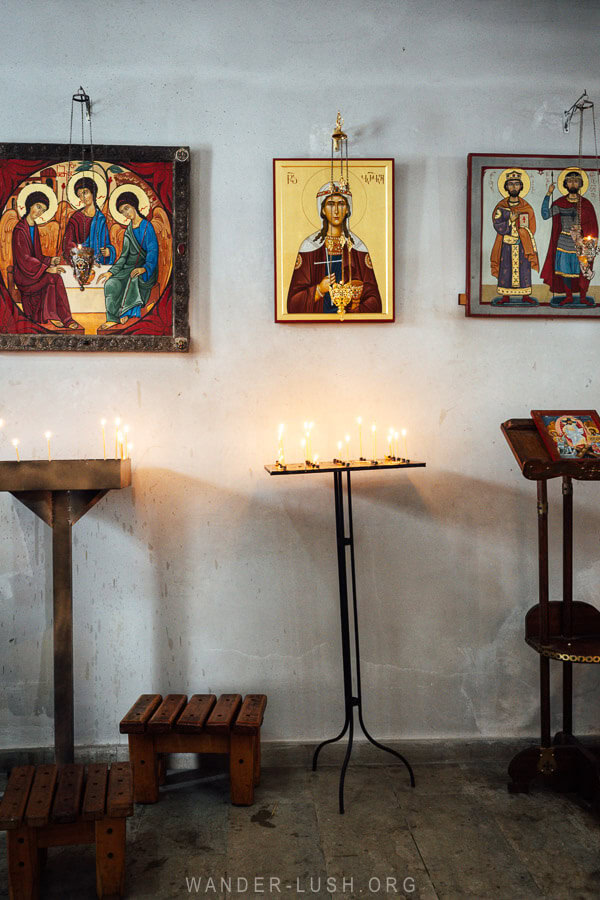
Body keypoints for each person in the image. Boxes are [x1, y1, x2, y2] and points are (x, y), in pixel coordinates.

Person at [286, 180, 382, 314]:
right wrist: (318, 290)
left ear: (348, 209)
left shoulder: (358, 247)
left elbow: (375, 301)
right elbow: (292, 304)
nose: (336, 210)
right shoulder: (310, 247)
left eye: (341, 204)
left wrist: (355, 305)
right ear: (323, 210)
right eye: (330, 204)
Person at [11, 191, 82, 331]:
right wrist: (47, 268)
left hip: (33, 272)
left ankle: (65, 318)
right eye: (38, 206)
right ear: (29, 205)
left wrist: (50, 260)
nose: (39, 212)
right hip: (25, 276)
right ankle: (55, 316)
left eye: (42, 210)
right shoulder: (20, 229)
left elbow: (36, 255)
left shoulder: (33, 227)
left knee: (56, 277)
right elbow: (24, 259)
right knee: (51, 277)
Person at [97, 191, 158, 330]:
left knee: (134, 277)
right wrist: (111, 273)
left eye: (126, 208)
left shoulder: (147, 227)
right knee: (111, 284)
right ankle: (112, 318)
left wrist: (145, 268)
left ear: (134, 205)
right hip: (127, 268)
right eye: (122, 211)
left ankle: (127, 312)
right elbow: (124, 256)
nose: (125, 213)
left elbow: (153, 252)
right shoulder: (128, 231)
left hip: (146, 269)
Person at [541, 170, 598, 306]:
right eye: (570, 181)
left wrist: (583, 232)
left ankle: (583, 297)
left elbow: (593, 225)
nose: (573, 183)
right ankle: (569, 297)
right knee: (566, 271)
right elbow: (545, 215)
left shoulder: (586, 204)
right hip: (564, 242)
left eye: (576, 180)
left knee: (583, 270)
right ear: (565, 184)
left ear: (580, 184)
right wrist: (548, 194)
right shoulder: (560, 203)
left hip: (582, 242)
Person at [490, 171, 538, 304]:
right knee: (505, 269)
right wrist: (510, 221)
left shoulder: (526, 207)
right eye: (510, 184)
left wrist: (523, 233)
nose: (514, 187)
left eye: (517, 184)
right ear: (506, 187)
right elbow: (497, 224)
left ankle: (525, 295)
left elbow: (531, 227)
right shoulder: (501, 207)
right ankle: (505, 296)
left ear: (521, 186)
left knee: (524, 269)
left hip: (521, 244)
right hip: (505, 244)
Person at [62, 176, 116, 265]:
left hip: (98, 264)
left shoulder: (100, 218)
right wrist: (82, 257)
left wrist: (109, 251)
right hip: (80, 263)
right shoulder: (76, 218)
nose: (83, 197)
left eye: (85, 192)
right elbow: (68, 244)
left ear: (93, 192)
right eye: (80, 195)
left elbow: (106, 244)